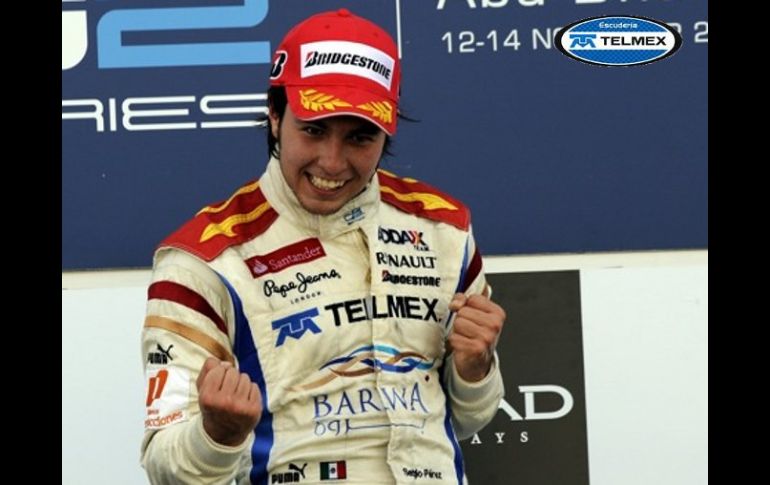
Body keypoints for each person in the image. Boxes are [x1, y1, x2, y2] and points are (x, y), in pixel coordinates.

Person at [140, 8, 505, 485]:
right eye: (313, 130)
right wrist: (217, 435)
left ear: (385, 134)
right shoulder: (203, 262)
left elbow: (469, 419)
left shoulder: (444, 228)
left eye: (360, 137)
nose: (332, 162)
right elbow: (166, 466)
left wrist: (476, 369)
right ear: (275, 117)